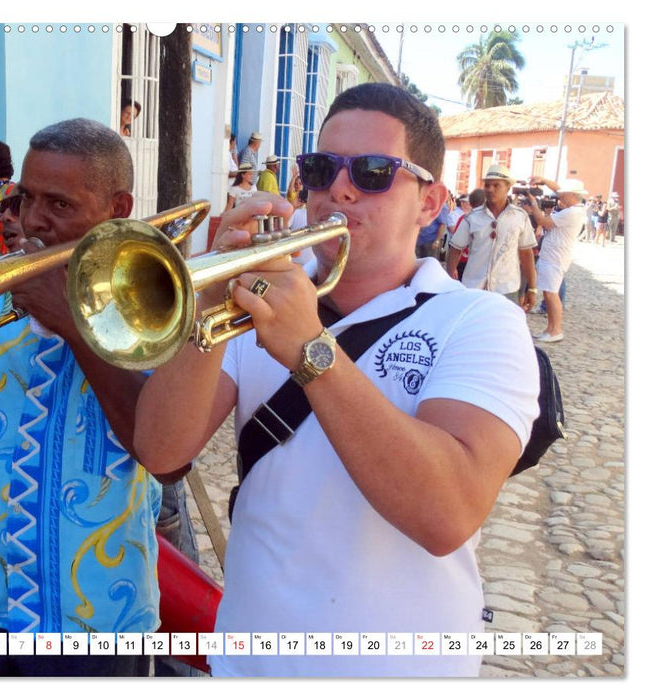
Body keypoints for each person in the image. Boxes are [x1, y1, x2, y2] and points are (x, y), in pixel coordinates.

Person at [132, 83, 539, 677]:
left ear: (430, 204)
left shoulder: (478, 320)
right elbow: (161, 449)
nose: (338, 190)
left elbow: (446, 513)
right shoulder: (256, 303)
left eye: (374, 172)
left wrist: (309, 349)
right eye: (320, 169)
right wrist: (211, 293)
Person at [0, 118, 168, 677]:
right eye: (26, 198)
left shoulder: (158, 312)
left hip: (98, 625)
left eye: (61, 205)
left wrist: (70, 324)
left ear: (118, 209)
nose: (33, 220)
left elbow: (164, 452)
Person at [446, 164, 538, 311]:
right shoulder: (472, 217)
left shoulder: (520, 217)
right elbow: (455, 248)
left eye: (496, 185)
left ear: (507, 187)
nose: (490, 189)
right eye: (487, 185)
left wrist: (532, 288)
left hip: (506, 287)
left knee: (503, 330)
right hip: (474, 286)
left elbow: (526, 253)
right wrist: (450, 278)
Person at [522, 176, 588, 343]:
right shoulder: (575, 209)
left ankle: (556, 329)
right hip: (553, 256)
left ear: (572, 195)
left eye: (564, 194)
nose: (560, 196)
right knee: (549, 292)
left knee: (552, 294)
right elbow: (558, 189)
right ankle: (550, 329)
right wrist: (544, 181)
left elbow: (543, 221)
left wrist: (534, 204)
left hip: (555, 257)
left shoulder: (571, 212)